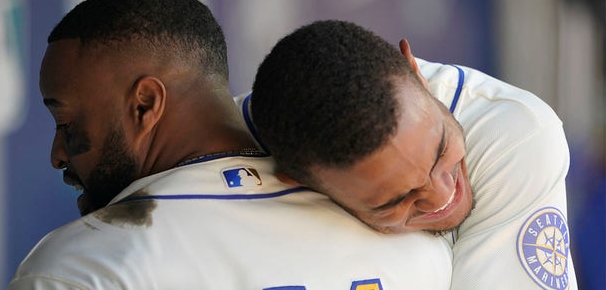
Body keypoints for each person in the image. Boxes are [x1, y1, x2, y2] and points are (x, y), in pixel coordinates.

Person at [8, 0, 454, 289]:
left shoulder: (86, 268)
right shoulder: (413, 235)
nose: (57, 153)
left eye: (67, 124)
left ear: (145, 105)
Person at [246, 20, 578, 290]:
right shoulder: (233, 177)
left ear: (416, 73)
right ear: (302, 182)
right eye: (399, 198)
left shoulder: (511, 132)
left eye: (441, 149)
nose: (443, 195)